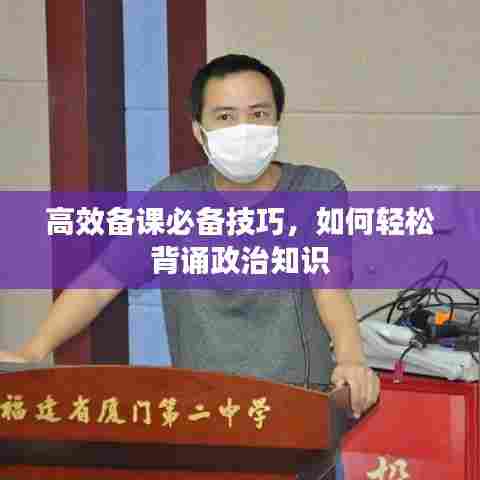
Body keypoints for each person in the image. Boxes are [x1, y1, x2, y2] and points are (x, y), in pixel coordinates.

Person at [0, 54, 379, 479]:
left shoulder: (317, 188)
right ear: (199, 131)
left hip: (296, 413)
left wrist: (351, 358)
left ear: (277, 122)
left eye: (258, 114)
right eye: (225, 116)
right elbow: (101, 281)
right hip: (204, 415)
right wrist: (33, 351)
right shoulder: (173, 198)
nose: (243, 128)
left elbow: (329, 285)